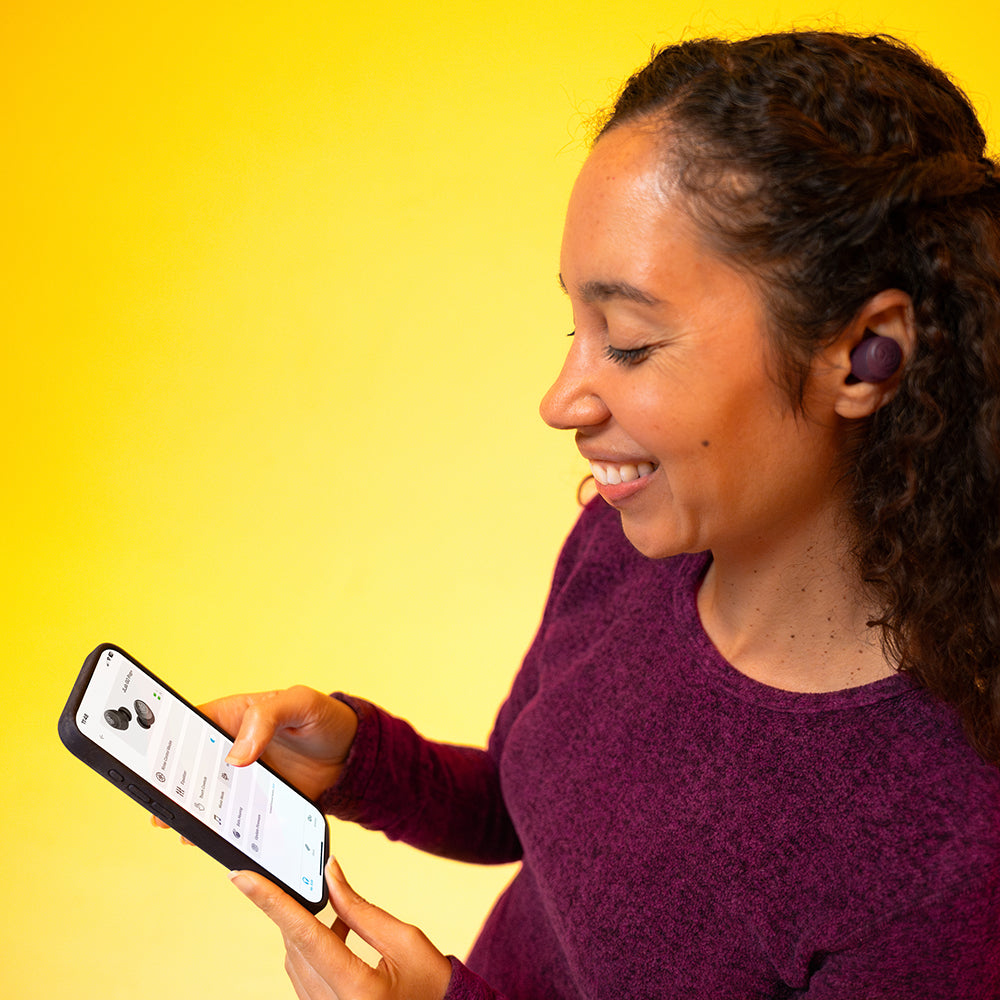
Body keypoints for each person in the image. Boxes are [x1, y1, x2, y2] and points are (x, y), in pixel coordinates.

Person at [199, 30, 1000, 998]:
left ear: (866, 355)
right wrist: (358, 759)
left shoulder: (952, 857)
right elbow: (515, 804)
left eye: (625, 341)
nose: (559, 400)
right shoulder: (626, 548)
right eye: (573, 324)